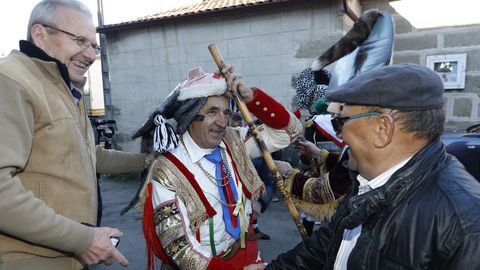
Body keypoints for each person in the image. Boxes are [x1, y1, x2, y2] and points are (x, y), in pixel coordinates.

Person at [247, 63, 480, 270]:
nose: (340, 133)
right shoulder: (368, 181)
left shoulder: (465, 225)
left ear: (382, 129)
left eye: (341, 121)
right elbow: (326, 247)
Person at [0, 1, 150, 269]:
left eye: (93, 45)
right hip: (29, 260)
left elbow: (89, 156)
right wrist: (82, 240)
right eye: (80, 40)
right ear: (40, 34)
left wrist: (150, 161)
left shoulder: (62, 87)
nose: (90, 55)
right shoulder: (11, 81)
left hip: (67, 256)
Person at [132, 65, 302, 269]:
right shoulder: (168, 170)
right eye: (212, 112)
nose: (222, 122)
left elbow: (289, 132)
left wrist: (252, 98)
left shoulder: (233, 141)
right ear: (189, 115)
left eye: (226, 112)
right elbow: (180, 249)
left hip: (249, 256)